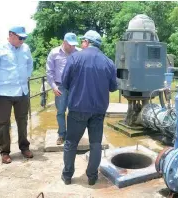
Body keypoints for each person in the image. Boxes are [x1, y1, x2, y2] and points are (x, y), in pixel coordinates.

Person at [61, 30, 117, 186]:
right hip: (98, 110)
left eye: (82, 41)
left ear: (86, 42)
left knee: (71, 143)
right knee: (95, 144)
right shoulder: (108, 62)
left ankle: (67, 176)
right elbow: (113, 87)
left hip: (77, 108)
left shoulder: (74, 58)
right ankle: (92, 177)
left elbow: (64, 83)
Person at [0, 26, 33, 164]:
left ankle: (24, 147)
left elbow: (30, 63)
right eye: (20, 38)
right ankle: (5, 152)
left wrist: (27, 75)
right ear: (11, 35)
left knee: (23, 120)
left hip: (22, 91)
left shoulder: (25, 48)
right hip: (3, 93)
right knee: (3, 123)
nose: (23, 40)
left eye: (24, 38)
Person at [46, 32, 79, 145]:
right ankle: (61, 134)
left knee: (74, 111)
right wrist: (54, 87)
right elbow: (49, 71)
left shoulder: (78, 52)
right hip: (60, 86)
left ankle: (71, 134)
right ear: (64, 42)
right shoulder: (54, 53)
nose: (73, 47)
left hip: (74, 87)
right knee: (60, 111)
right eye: (71, 45)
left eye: (74, 45)